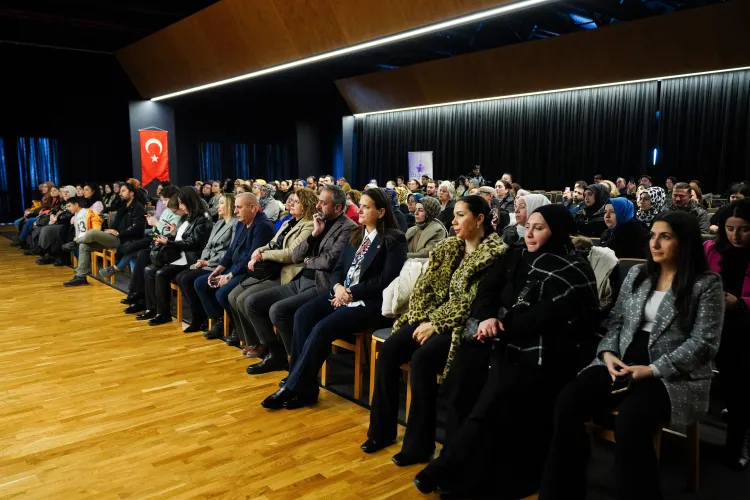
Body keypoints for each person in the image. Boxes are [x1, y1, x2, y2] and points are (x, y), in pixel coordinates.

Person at [414, 204, 599, 498]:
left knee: (493, 397)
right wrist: (487, 317)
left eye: (540, 228)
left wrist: (499, 326)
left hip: (544, 351)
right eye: (529, 227)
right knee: (460, 381)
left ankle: (445, 469)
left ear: (558, 232)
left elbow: (545, 316)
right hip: (500, 337)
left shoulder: (573, 268)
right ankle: (457, 471)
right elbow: (486, 292)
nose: (530, 234)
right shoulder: (515, 255)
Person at [540, 211, 724, 500]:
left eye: (665, 237)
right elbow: (616, 321)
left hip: (672, 374)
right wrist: (608, 353)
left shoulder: (706, 284)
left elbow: (704, 344)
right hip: (622, 358)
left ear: (685, 242)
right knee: (567, 402)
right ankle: (562, 491)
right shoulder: (639, 274)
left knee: (631, 422)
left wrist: (652, 370)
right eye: (652, 236)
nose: (655, 243)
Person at [364, 196, 505, 465]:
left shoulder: (495, 255)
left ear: (480, 219)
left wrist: (436, 323)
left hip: (460, 325)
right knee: (391, 349)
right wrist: (421, 318)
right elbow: (424, 288)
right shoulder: (448, 247)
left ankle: (419, 444)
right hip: (431, 318)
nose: (453, 221)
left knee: (423, 360)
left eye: (461, 215)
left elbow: (473, 303)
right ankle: (381, 431)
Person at [259, 188, 407, 409]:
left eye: (367, 207)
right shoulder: (357, 233)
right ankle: (304, 386)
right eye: (362, 205)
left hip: (368, 303)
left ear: (382, 212)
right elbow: (338, 268)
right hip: (340, 293)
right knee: (302, 315)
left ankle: (292, 386)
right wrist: (338, 287)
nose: (360, 210)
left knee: (322, 327)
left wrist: (350, 293)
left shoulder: (393, 239)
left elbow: (384, 279)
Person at [244, 185, 357, 372]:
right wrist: (314, 236)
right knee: (253, 302)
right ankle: (277, 355)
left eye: (323, 203)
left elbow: (329, 262)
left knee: (278, 311)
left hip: (320, 284)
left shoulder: (348, 228)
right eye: (318, 201)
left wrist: (308, 261)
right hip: (300, 280)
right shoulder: (318, 224)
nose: (318, 206)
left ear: (338, 208)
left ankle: (298, 363)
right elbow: (296, 257)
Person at [226, 189, 315, 350]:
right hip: (272, 269)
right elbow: (272, 243)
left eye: (296, 201)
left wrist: (264, 255)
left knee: (244, 299)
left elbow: (291, 254)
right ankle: (251, 340)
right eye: (291, 200)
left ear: (307, 204)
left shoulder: (309, 224)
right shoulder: (289, 221)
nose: (290, 203)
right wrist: (260, 250)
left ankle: (266, 344)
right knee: (233, 295)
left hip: (287, 273)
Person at [704, 199, 750, 470]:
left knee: (739, 378)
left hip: (743, 322)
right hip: (713, 319)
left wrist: (741, 303)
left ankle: (738, 438)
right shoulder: (710, 248)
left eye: (743, 229)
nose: (735, 236)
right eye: (730, 229)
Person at [194, 193, 276, 339]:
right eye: (235, 207)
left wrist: (230, 275)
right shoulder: (241, 222)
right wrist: (220, 268)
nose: (235, 211)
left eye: (238, 207)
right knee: (201, 283)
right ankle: (221, 321)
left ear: (252, 207)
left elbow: (251, 257)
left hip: (251, 271)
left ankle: (239, 328)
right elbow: (232, 250)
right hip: (235, 267)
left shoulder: (263, 226)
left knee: (222, 293)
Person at [138, 187, 213, 325]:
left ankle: (163, 313)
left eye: (182, 203)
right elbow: (182, 238)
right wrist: (172, 233)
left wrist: (170, 242)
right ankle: (153, 308)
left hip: (190, 258)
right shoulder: (188, 217)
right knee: (149, 270)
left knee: (161, 273)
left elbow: (193, 243)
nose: (181, 206)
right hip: (180, 255)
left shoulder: (203, 219)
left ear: (189, 202)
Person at [62, 183, 145, 286]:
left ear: (132, 193)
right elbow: (115, 222)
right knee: (84, 246)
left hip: (125, 240)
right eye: (120, 191)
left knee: (92, 232)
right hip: (114, 237)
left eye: (123, 191)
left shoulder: (138, 208)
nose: (120, 193)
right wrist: (111, 230)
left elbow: (137, 229)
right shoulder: (123, 205)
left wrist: (118, 233)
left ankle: (75, 243)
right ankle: (81, 277)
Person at [176, 194, 237, 332]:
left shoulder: (236, 224)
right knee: (181, 277)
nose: (217, 206)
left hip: (220, 264)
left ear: (230, 206)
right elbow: (208, 245)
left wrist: (208, 261)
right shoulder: (219, 222)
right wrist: (201, 260)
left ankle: (212, 318)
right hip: (207, 262)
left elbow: (230, 251)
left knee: (189, 279)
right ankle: (200, 315)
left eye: (221, 203)